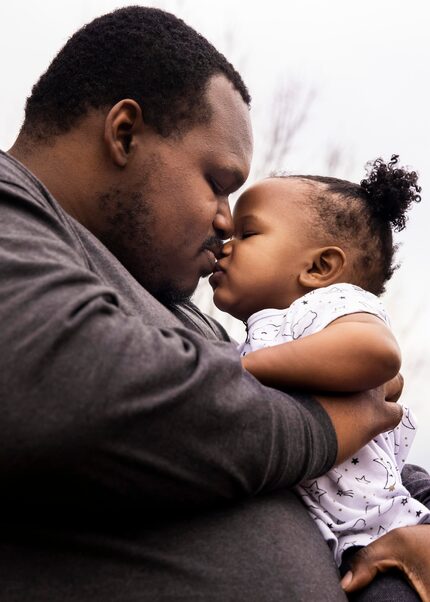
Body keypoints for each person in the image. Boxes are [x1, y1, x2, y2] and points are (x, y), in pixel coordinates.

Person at [0, 5, 425, 601]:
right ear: (124, 134)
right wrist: (330, 424)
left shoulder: (178, 309)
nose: (226, 222)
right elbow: (70, 389)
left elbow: (377, 471)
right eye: (218, 183)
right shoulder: (13, 207)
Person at [210, 156, 430, 600]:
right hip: (332, 544)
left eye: (247, 233)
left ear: (320, 268)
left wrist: (240, 370)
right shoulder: (259, 335)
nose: (225, 244)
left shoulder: (329, 306)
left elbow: (377, 353)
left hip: (379, 535)